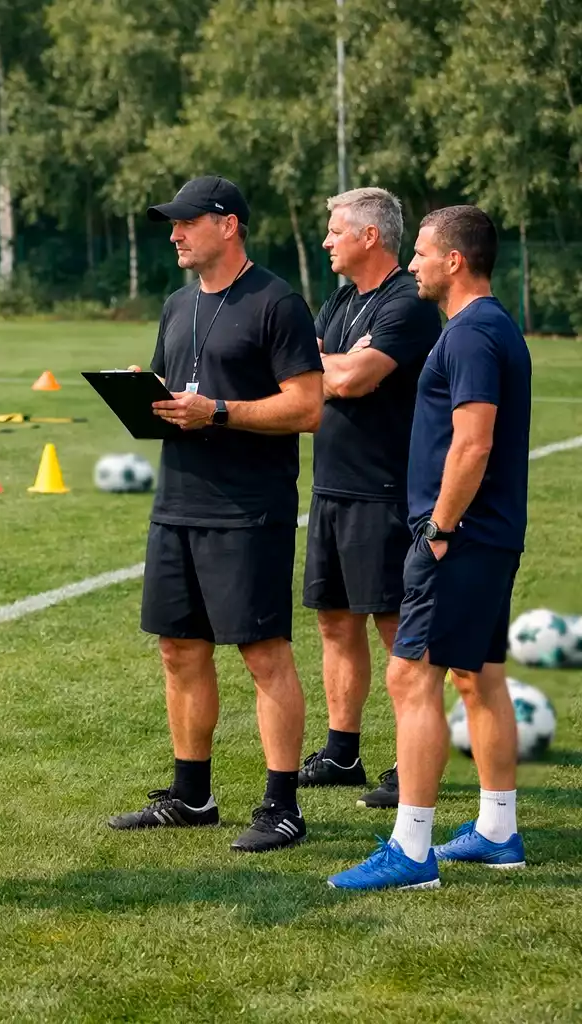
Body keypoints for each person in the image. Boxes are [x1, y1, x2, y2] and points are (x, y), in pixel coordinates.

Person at [109, 175, 323, 853]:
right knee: (179, 650)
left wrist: (220, 411)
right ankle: (191, 796)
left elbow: (308, 406)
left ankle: (282, 806)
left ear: (227, 224)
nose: (174, 234)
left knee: (263, 655)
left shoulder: (277, 302)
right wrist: (149, 400)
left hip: (248, 509)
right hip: (177, 503)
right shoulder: (176, 305)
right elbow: (178, 394)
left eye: (186, 222)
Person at [329, 205, 532, 891]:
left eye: (420, 253)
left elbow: (473, 442)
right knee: (480, 674)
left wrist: (440, 528)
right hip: (487, 536)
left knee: (411, 676)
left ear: (454, 261)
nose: (411, 264)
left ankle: (411, 850)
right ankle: (499, 830)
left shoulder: (473, 334)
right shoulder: (488, 326)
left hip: (461, 537)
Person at [302, 187, 443, 810]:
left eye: (336, 231)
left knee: (395, 627)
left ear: (368, 237)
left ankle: (408, 758)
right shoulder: (339, 300)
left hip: (384, 491)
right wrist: (332, 365)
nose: (327, 241)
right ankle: (342, 751)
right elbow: (306, 374)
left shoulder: (408, 303)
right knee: (335, 621)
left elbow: (355, 379)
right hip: (331, 487)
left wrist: (333, 369)